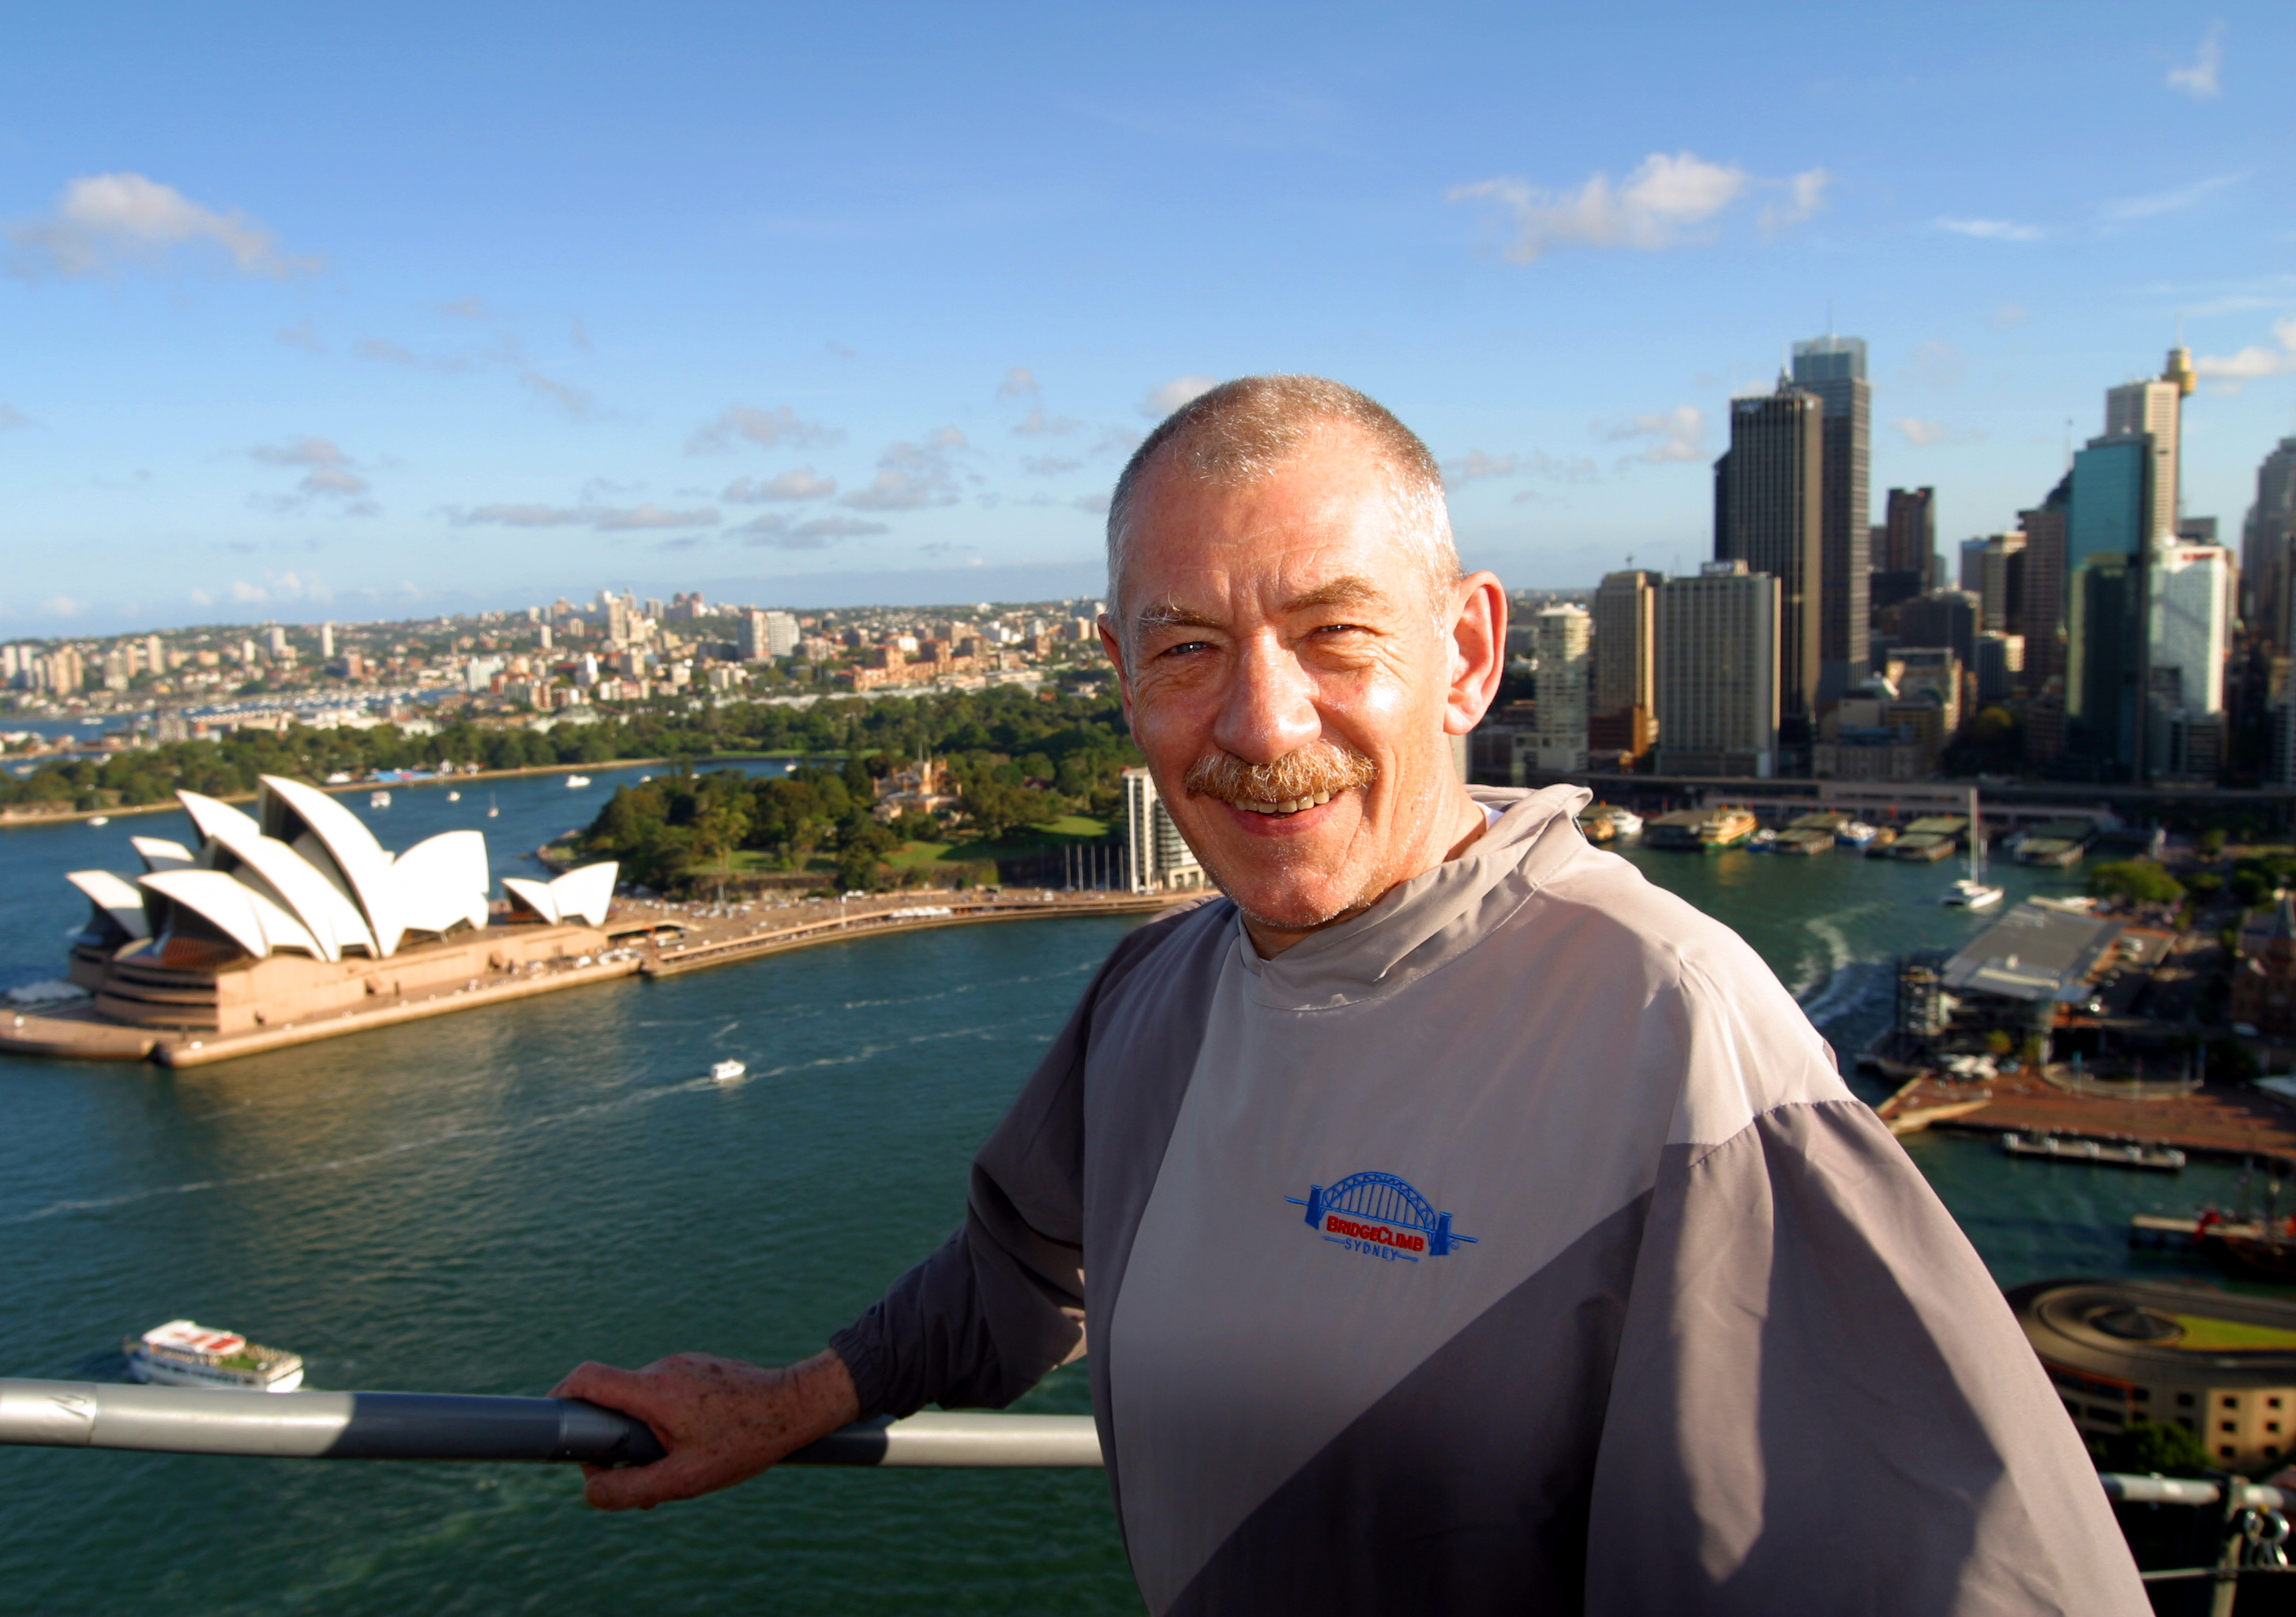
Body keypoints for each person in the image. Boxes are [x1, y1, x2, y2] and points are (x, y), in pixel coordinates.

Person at [557, 376, 2146, 1614]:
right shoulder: (1156, 993)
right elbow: (1018, 1273)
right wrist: (794, 1399)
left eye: (1335, 633)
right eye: (1185, 648)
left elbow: (1967, 1561)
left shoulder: (1672, 1025)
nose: (1261, 720)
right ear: (1121, 675)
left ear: (1465, 653)